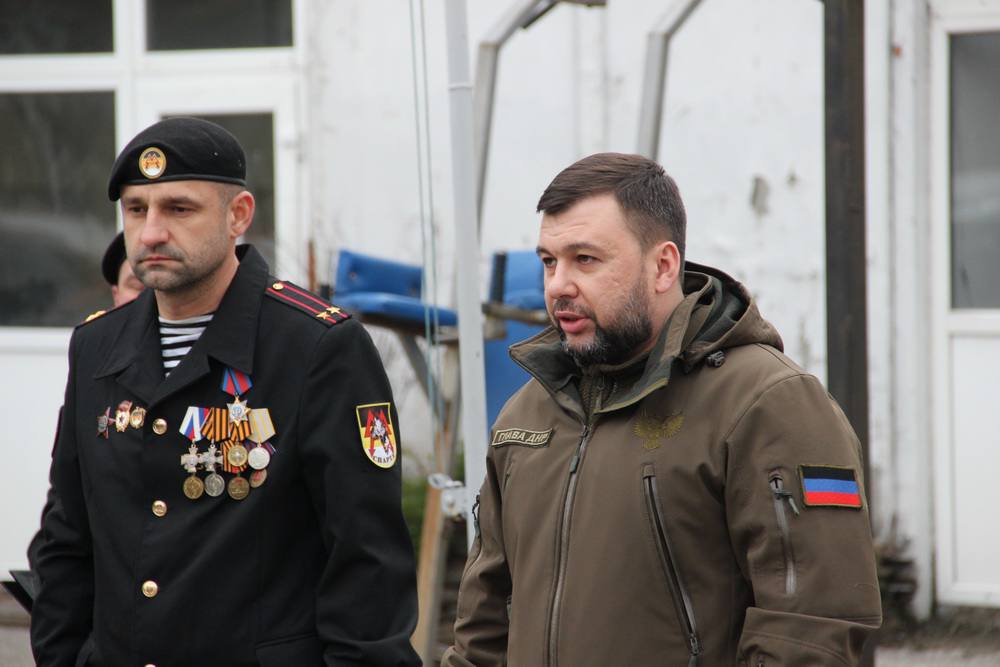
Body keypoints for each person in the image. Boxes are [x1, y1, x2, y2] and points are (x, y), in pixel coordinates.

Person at [442, 153, 881, 666]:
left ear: (663, 266)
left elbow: (811, 630)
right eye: (549, 261)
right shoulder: (527, 414)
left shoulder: (768, 403)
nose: (558, 284)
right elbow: (482, 629)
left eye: (585, 259)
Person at [31, 117, 421, 666]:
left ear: (238, 215)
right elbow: (66, 539)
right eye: (136, 209)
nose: (151, 233)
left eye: (179, 209)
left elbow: (367, 561)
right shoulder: (97, 345)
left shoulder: (316, 347)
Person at [25, 232, 147, 586]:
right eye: (136, 287)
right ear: (116, 295)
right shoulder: (94, 367)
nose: (148, 300)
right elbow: (65, 510)